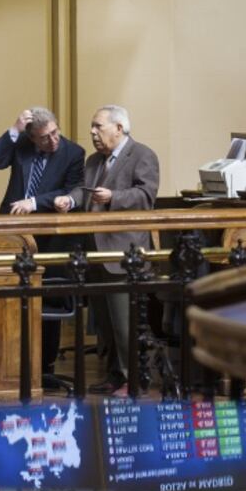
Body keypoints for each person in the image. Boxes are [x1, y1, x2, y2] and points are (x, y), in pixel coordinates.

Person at [54, 104, 159, 396]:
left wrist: (114, 197)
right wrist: (70, 200)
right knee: (106, 324)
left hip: (124, 254)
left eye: (98, 126)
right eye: (92, 127)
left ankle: (134, 379)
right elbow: (83, 190)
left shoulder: (142, 155)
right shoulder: (93, 161)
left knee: (125, 323)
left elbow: (146, 194)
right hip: (96, 253)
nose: (92, 132)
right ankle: (116, 375)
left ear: (119, 128)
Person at [0, 107, 85, 379]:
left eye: (55, 133)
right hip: (12, 233)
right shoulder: (22, 145)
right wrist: (14, 130)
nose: (52, 141)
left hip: (49, 238)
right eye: (44, 138)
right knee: (6, 295)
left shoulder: (73, 153)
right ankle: (7, 366)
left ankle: (44, 367)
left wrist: (34, 203)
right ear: (32, 137)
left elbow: (72, 191)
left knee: (46, 300)